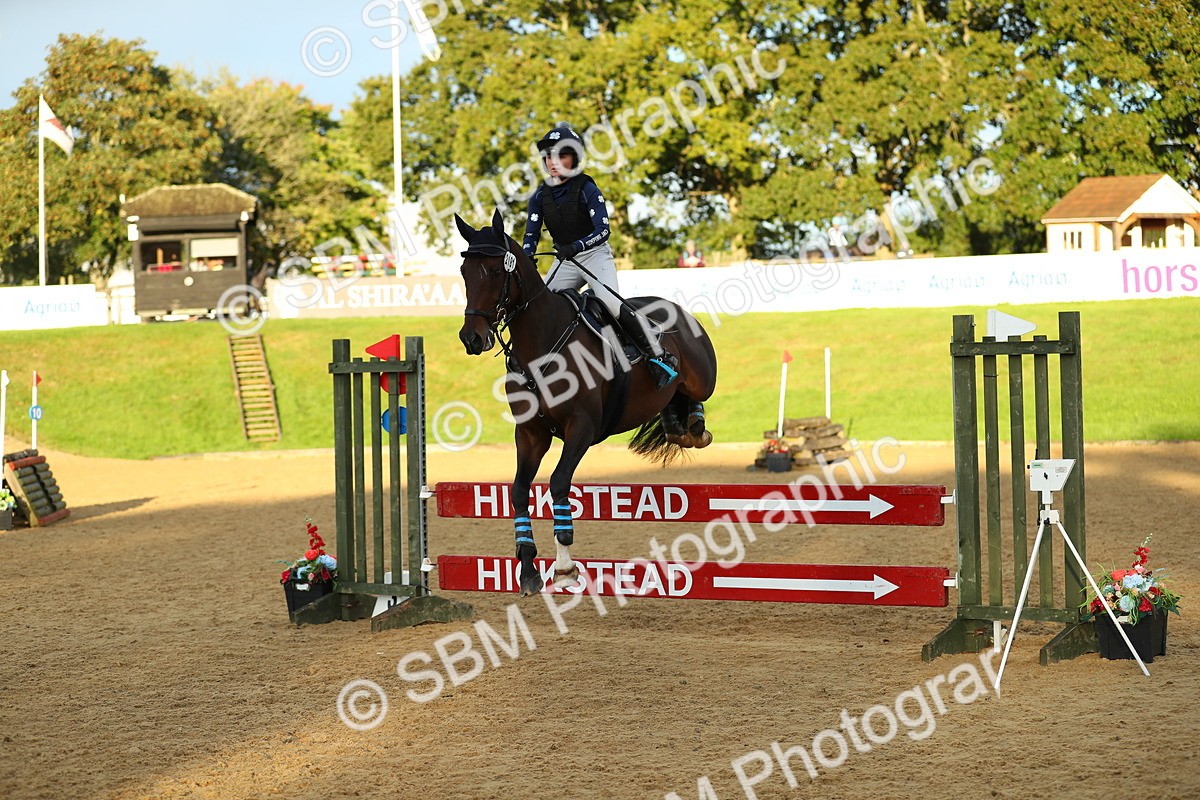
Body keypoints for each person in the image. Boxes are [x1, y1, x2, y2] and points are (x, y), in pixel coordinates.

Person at [522, 122, 678, 390]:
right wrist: (526, 258)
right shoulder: (539, 196)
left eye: (561, 155)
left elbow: (603, 230)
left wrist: (577, 246)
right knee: (538, 308)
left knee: (612, 304)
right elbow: (531, 237)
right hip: (564, 261)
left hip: (594, 255)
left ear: (575, 158)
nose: (553, 162)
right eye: (549, 156)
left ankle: (659, 356)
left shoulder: (587, 188)